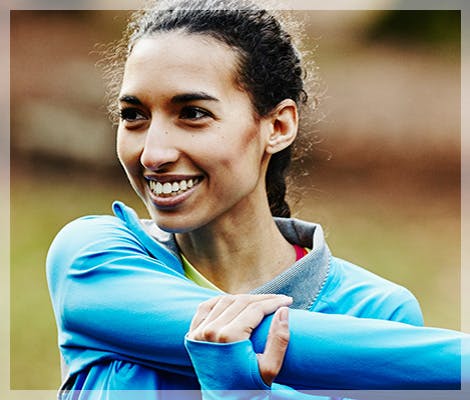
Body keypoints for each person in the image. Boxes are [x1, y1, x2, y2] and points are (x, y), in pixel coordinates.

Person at [45, 1, 467, 399]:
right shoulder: (92, 260)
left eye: (192, 113)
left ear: (278, 126)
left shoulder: (375, 312)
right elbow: (267, 338)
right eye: (134, 115)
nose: (154, 153)